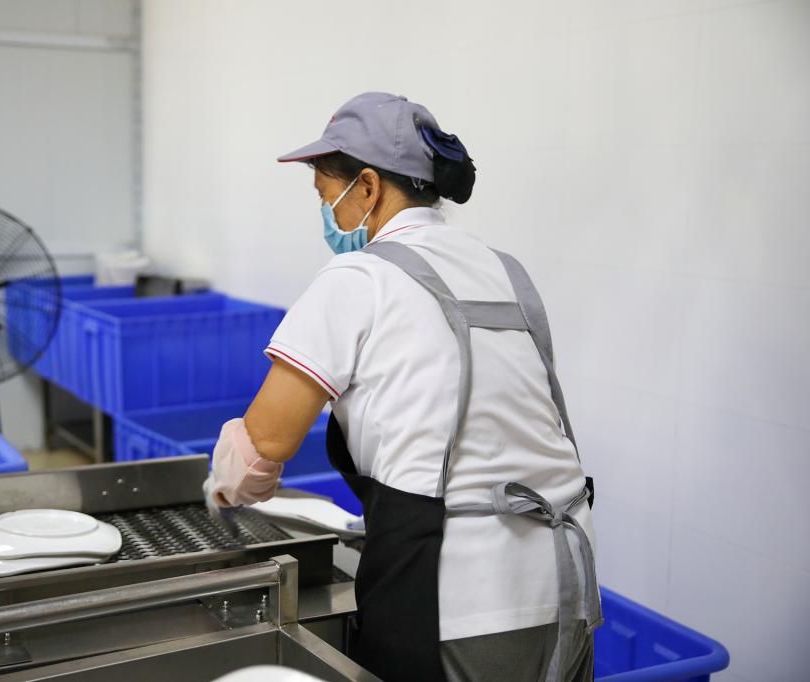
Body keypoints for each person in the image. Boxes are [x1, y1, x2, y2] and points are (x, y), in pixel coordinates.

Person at [203, 92, 601, 682]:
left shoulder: (357, 276)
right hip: (568, 585)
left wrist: (220, 491)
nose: (328, 215)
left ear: (367, 187)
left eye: (325, 196)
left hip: (457, 596)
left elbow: (264, 444)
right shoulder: (506, 269)